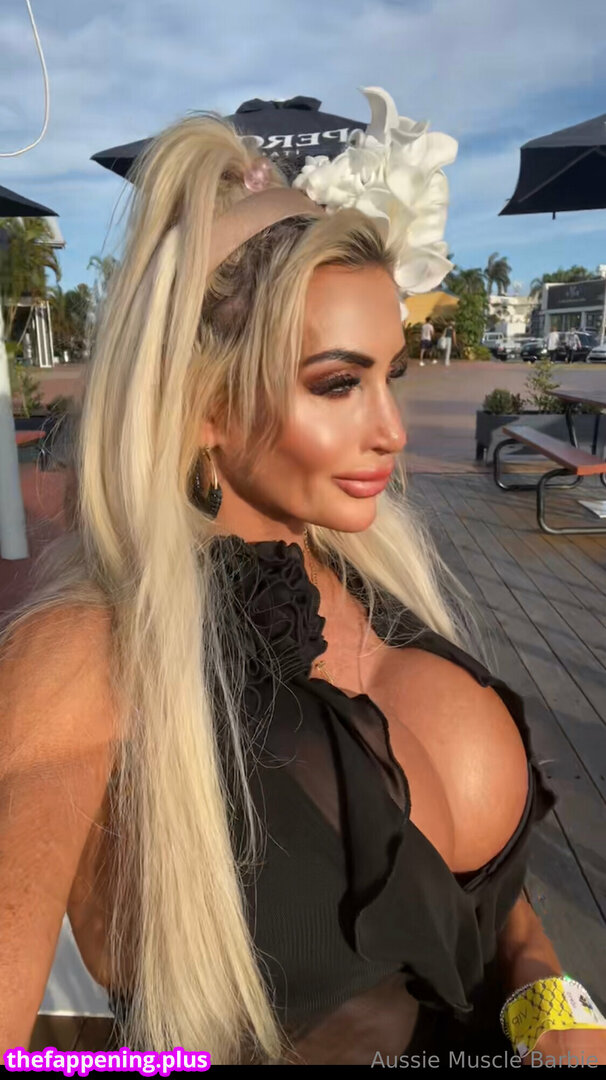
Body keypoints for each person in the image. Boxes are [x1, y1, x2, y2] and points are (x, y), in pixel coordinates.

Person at [2, 96, 606, 1068]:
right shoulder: (87, 653)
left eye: (391, 376)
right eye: (337, 383)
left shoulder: (383, 584)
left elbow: (488, 908)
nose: (392, 432)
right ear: (201, 404)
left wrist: (550, 999)